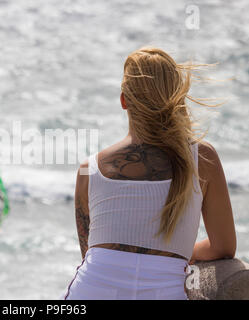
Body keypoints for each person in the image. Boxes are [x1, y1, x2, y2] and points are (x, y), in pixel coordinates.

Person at [64, 47, 236, 300]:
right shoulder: (203, 158)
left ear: (123, 101)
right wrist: (181, 253)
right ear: (179, 96)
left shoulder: (89, 170)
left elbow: (90, 255)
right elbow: (224, 247)